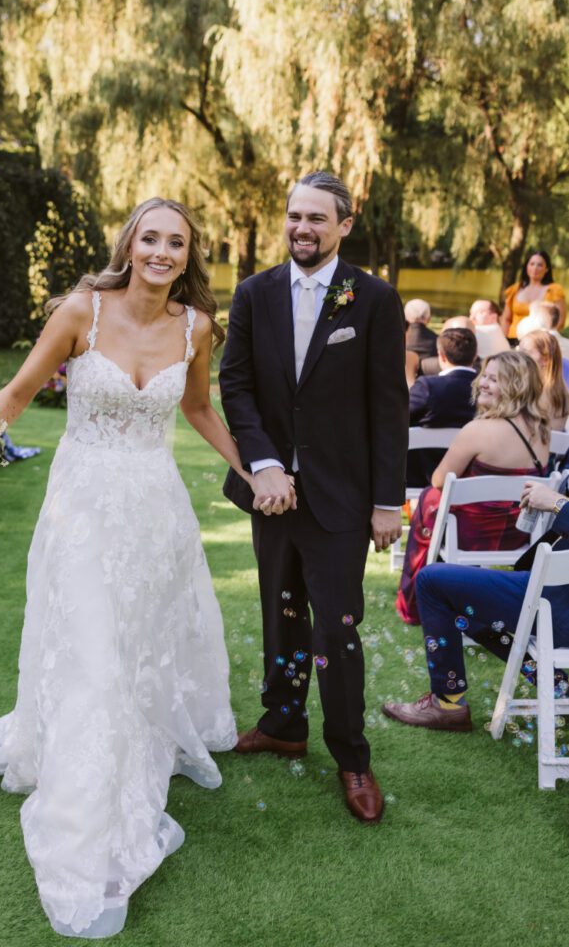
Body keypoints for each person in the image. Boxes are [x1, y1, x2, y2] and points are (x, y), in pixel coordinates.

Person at [0, 198, 243, 938]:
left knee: (137, 652)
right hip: (82, 509)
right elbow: (16, 394)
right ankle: (90, 828)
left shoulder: (196, 326)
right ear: (129, 242)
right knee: (96, 661)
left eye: (175, 242)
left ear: (188, 255)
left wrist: (256, 469)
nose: (161, 251)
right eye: (150, 237)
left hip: (155, 514)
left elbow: (202, 409)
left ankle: (130, 758)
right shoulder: (82, 309)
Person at [219, 171, 408, 825]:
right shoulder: (253, 293)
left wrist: (388, 501)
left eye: (316, 219)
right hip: (271, 493)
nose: (302, 228)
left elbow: (387, 405)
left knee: (335, 623)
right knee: (280, 611)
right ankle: (281, 721)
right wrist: (263, 464)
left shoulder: (373, 299)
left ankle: (351, 755)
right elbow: (235, 389)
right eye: (294, 216)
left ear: (343, 224)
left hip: (341, 496)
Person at [383, 479, 569, 732]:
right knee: (462, 604)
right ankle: (559, 686)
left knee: (431, 580)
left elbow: (438, 478)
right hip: (553, 586)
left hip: (557, 601)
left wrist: (557, 502)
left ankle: (447, 704)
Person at [395, 351, 550, 623]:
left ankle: (415, 603)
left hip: (472, 533)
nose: (483, 384)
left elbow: (439, 479)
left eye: (494, 379)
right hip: (517, 533)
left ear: (516, 385)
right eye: (484, 377)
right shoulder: (541, 430)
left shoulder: (477, 430)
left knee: (430, 496)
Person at [406, 328, 478, 488]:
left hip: (423, 476)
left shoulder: (428, 386)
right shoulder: (487, 388)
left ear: (442, 356)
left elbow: (398, 418)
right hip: (472, 474)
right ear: (475, 355)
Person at [501, 249, 566, 341]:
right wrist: (505, 340)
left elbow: (560, 321)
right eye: (532, 264)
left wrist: (543, 341)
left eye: (540, 265)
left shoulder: (554, 290)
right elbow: (506, 319)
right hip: (513, 340)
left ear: (547, 269)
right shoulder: (515, 289)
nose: (535, 268)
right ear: (527, 266)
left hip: (540, 342)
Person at [518, 328, 569, 431]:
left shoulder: (544, 392)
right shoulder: (559, 388)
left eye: (526, 352)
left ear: (545, 359)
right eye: (519, 350)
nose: (518, 356)